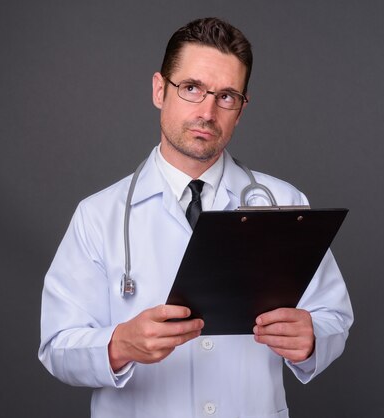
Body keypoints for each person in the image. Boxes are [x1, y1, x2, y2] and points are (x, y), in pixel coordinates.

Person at [38, 17, 353, 418]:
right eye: (191, 88)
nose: (207, 111)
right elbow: (57, 345)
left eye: (226, 96)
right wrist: (118, 345)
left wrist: (311, 338)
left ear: (240, 109)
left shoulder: (283, 202)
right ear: (159, 90)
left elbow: (333, 316)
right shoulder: (98, 215)